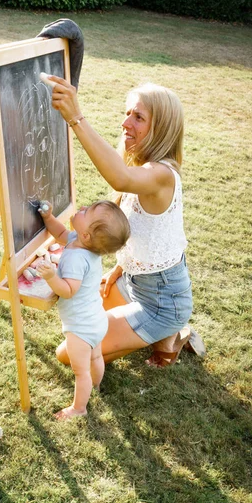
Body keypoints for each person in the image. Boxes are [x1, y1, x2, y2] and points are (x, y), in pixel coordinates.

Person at [45, 76, 205, 368]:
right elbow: (146, 233)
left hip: (162, 302)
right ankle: (157, 335)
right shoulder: (144, 167)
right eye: (128, 112)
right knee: (79, 322)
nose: (125, 123)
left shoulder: (162, 174)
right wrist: (119, 270)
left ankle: (167, 334)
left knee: (69, 353)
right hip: (134, 284)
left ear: (162, 130)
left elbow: (119, 177)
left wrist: (75, 118)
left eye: (139, 117)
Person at [36, 200, 130, 420]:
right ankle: (96, 386)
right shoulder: (79, 242)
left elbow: (69, 290)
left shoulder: (78, 259)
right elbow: (60, 232)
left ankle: (79, 408)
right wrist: (48, 217)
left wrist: (51, 276)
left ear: (86, 235)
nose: (81, 209)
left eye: (85, 212)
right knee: (95, 357)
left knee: (81, 371)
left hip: (80, 327)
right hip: (97, 319)